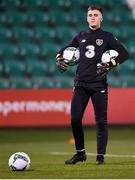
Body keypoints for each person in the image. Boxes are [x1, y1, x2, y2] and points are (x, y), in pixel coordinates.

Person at [56, 5, 129, 165]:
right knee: (75, 119)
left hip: (98, 85)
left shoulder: (107, 37)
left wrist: (111, 63)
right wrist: (59, 57)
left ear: (101, 18)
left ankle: (100, 157)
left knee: (101, 121)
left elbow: (124, 53)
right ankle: (80, 153)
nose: (93, 17)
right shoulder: (80, 36)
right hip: (80, 84)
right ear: (87, 18)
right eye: (90, 15)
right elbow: (64, 49)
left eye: (96, 15)